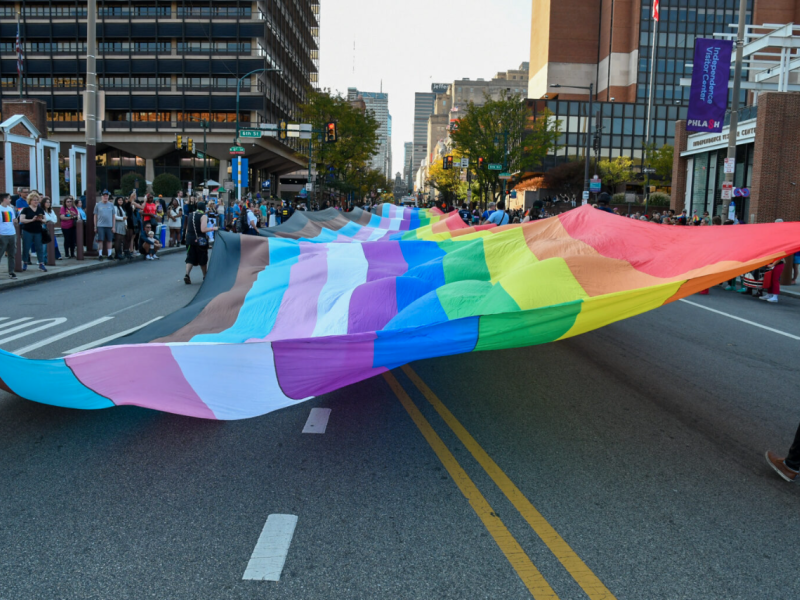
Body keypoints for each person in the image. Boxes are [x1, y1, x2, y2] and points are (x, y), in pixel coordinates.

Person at [185, 200, 218, 284]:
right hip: (200, 240)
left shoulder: (191, 215)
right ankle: (205, 276)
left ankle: (187, 274)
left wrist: (187, 238)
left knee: (190, 258)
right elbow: (203, 229)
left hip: (189, 239)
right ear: (203, 208)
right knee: (202, 258)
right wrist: (213, 228)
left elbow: (187, 229)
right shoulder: (203, 216)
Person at [19, 192, 46, 272]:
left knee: (39, 247)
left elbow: (45, 219)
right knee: (26, 247)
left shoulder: (40, 209)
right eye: (34, 200)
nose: (36, 202)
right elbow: (22, 220)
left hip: (38, 231)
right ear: (30, 201)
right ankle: (25, 262)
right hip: (27, 230)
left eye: (37, 200)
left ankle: (41, 263)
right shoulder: (26, 209)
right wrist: (32, 220)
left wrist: (40, 219)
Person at [94, 190, 115, 260]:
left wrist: (113, 226)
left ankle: (109, 254)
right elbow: (95, 216)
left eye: (107, 196)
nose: (106, 197)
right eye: (104, 196)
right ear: (101, 196)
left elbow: (113, 216)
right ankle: (100, 254)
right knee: (100, 240)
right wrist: (95, 226)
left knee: (109, 240)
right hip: (100, 225)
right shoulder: (98, 205)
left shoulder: (111, 205)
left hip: (109, 225)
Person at [0, 193, 17, 278]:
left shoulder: (10, 209)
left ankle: (11, 271)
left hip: (12, 233)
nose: (10, 200)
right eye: (9, 198)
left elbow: (13, 220)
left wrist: (16, 220)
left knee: (12, 253)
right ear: (4, 199)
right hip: (2, 234)